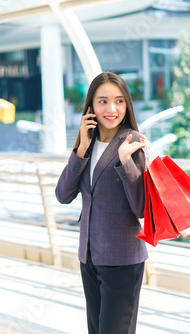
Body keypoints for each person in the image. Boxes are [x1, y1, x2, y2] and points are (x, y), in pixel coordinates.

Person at [55, 72, 147, 334]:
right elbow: (63, 195)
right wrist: (81, 149)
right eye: (103, 101)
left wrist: (126, 162)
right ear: (91, 106)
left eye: (119, 101)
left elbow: (140, 207)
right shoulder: (88, 143)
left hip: (123, 258)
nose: (112, 109)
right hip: (90, 256)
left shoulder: (133, 143)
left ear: (126, 105)